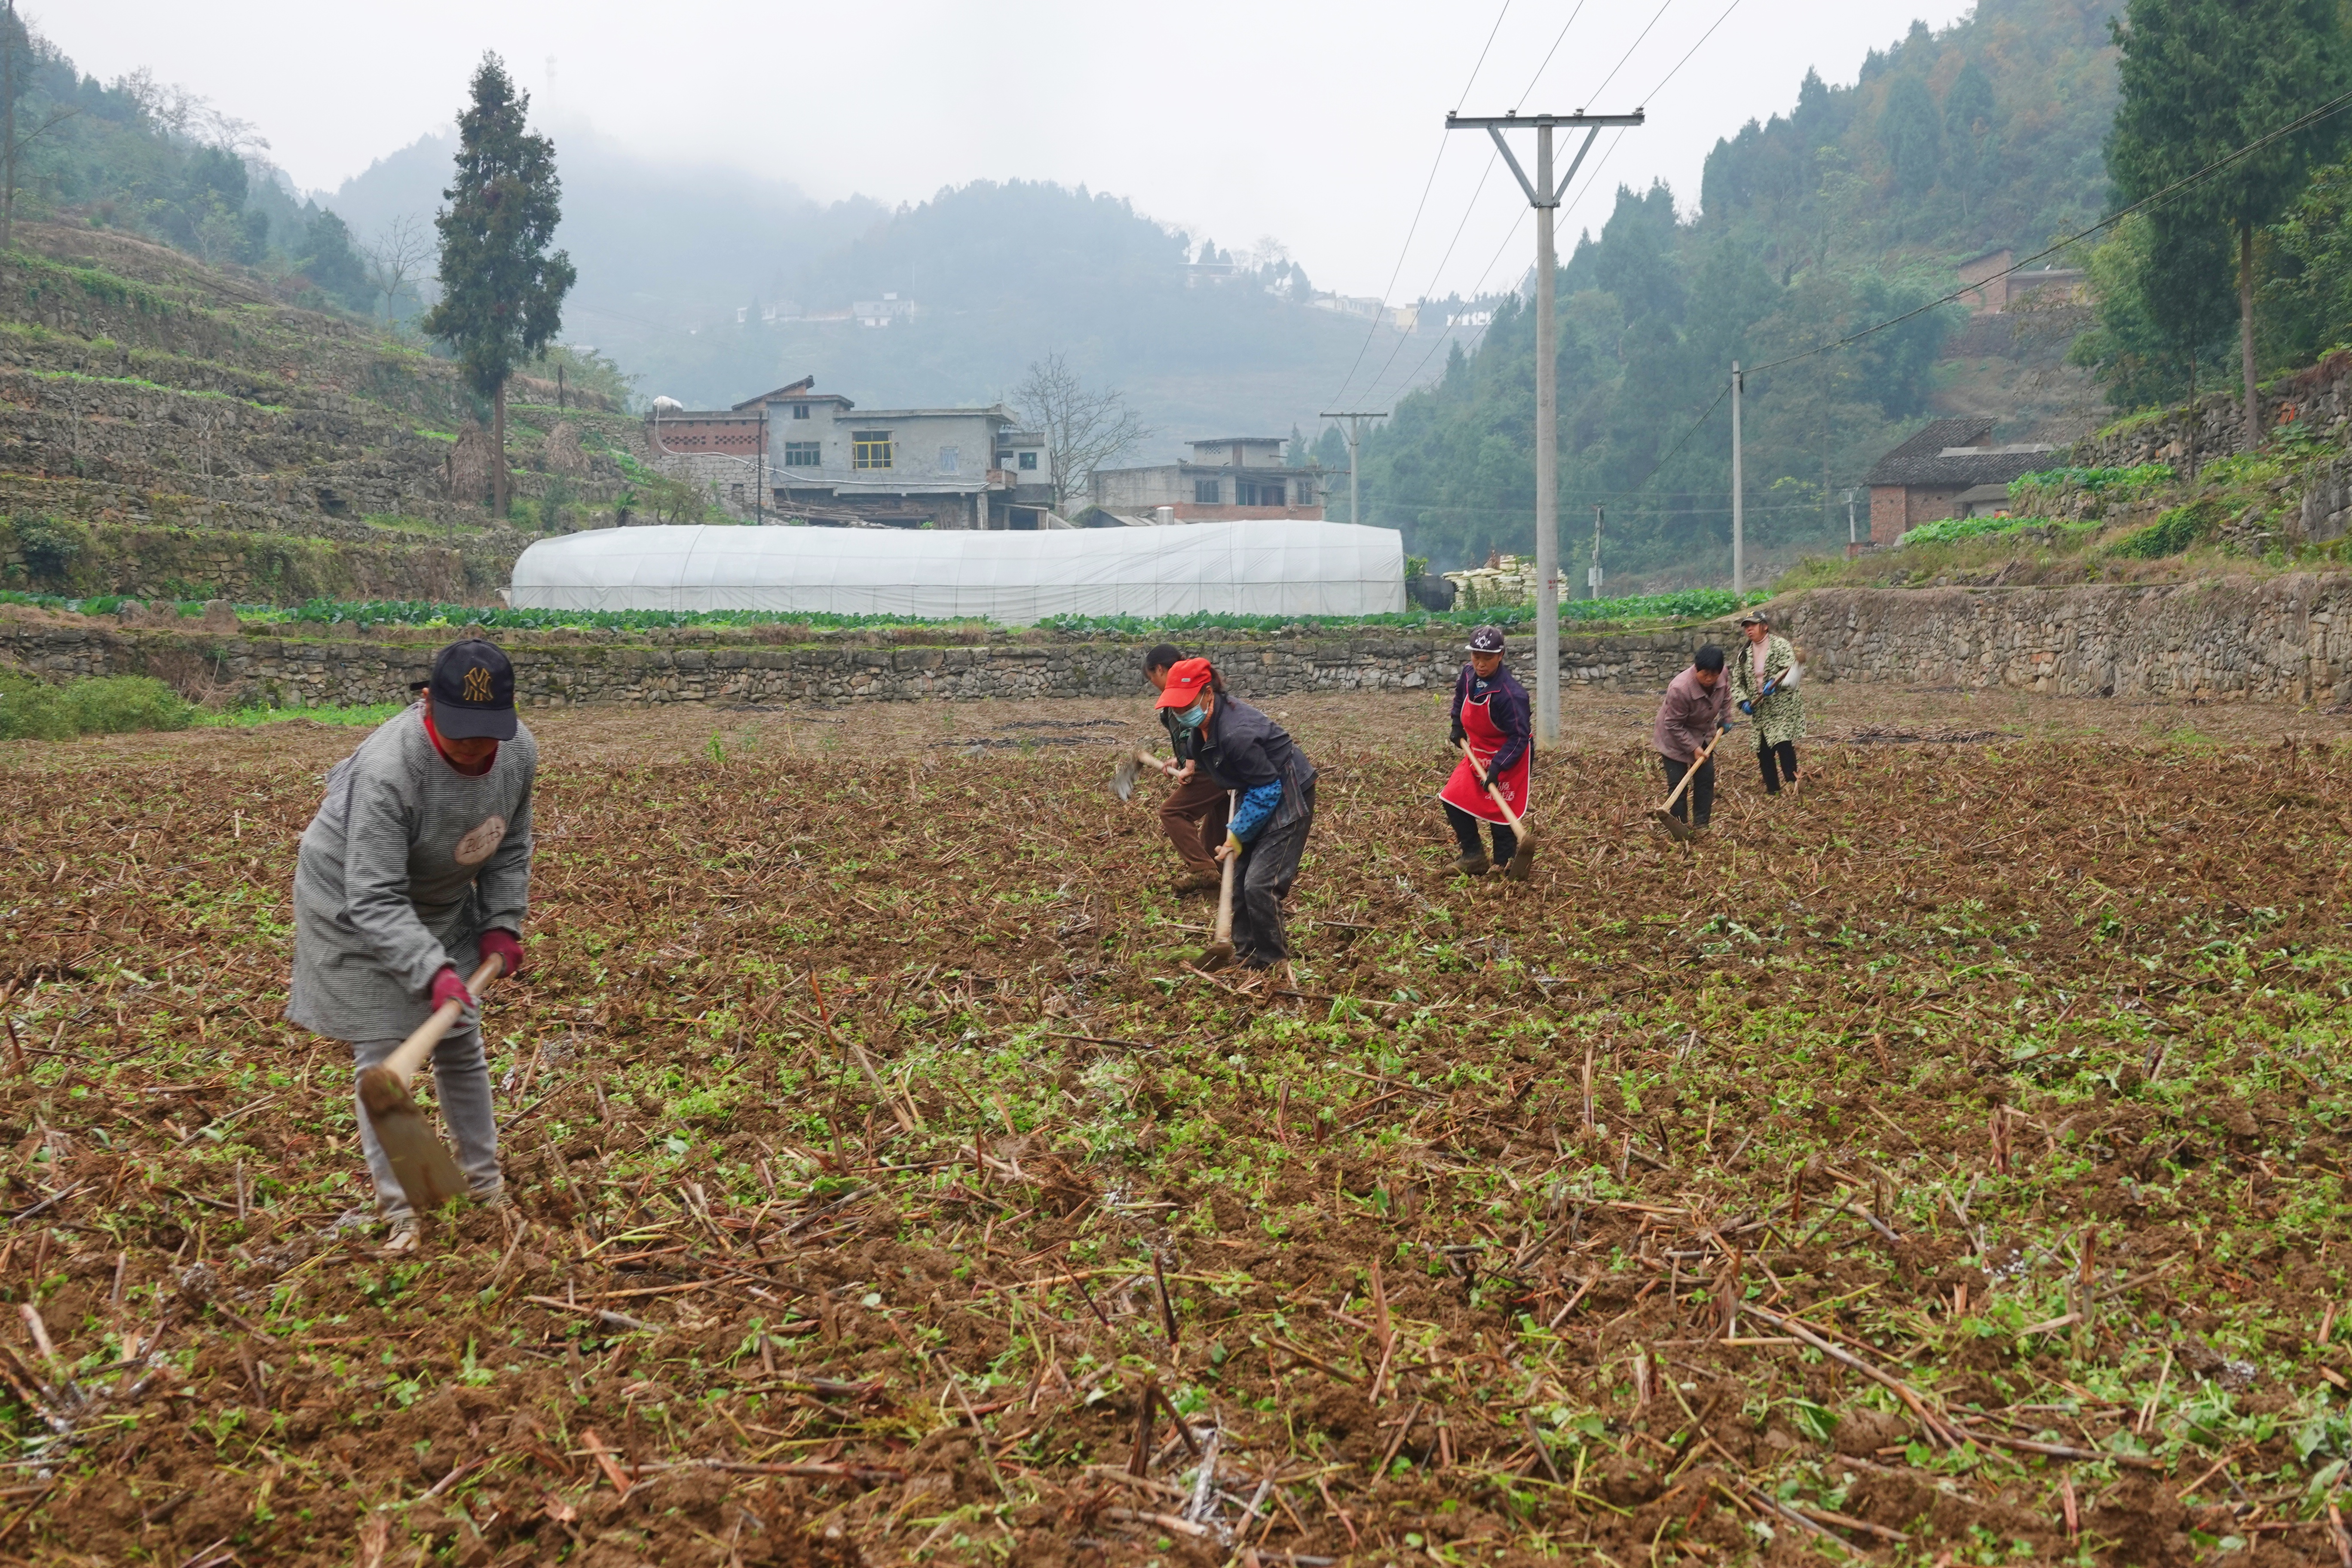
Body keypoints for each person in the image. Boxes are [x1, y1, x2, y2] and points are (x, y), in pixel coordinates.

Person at [288, 639, 537, 1253]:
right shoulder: (388, 771)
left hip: (444, 897)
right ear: (427, 702)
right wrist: (432, 973)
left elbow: (509, 844)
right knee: (382, 1051)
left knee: (459, 1037)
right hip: (351, 901)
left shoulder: (519, 752)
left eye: (488, 732)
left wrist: (501, 922)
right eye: (460, 733)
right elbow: (372, 896)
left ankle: (484, 1186)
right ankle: (401, 1211)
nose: (476, 746)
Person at [1156, 657, 1317, 969]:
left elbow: (1268, 790)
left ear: (1207, 693)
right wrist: (1188, 764)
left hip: (1285, 789)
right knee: (1240, 877)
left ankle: (1272, 961)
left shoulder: (1236, 733)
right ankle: (1245, 955)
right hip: (1255, 786)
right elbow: (1196, 748)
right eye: (1174, 706)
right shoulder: (1201, 726)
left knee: (1260, 884)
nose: (1179, 712)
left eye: (1184, 704)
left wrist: (1237, 833)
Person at [1437, 625, 1532, 876]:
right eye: (1476, 656)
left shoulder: (1511, 695)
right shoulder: (1469, 674)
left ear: (1501, 655)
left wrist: (1499, 766)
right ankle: (1474, 856)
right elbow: (1460, 698)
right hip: (1478, 750)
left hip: (1509, 754)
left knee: (1498, 812)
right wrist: (1457, 725)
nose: (1480, 663)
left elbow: (1520, 736)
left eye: (1488, 658)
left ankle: (1505, 863)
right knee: (1452, 798)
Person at [1143, 643, 1228, 891]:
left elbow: (1195, 730)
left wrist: (1190, 764)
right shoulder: (1188, 691)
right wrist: (1179, 761)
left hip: (1211, 765)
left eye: (1152, 679)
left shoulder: (1186, 693)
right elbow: (1186, 738)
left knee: (1173, 813)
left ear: (1159, 669)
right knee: (1217, 821)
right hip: (1218, 763)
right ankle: (1217, 875)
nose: (1155, 685)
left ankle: (1203, 870)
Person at [1653, 645, 1731, 832]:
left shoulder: (1723, 675)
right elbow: (1672, 724)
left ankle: (1701, 824)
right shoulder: (1680, 688)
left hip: (1703, 733)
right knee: (1678, 782)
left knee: (1705, 779)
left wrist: (1726, 717)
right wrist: (1693, 748)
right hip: (1673, 737)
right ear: (1696, 668)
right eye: (1705, 674)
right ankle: (1680, 826)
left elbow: (1726, 695)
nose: (1710, 679)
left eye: (1714, 674)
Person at [1732, 610, 1804, 796]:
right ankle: (1773, 789)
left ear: (1765, 626)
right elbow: (1737, 682)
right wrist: (1743, 702)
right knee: (1763, 750)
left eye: (1753, 625)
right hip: (1761, 709)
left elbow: (1789, 670)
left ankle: (1792, 783)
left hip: (1781, 705)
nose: (1749, 629)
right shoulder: (1744, 654)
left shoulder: (1780, 646)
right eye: (1747, 627)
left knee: (1782, 742)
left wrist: (1774, 682)